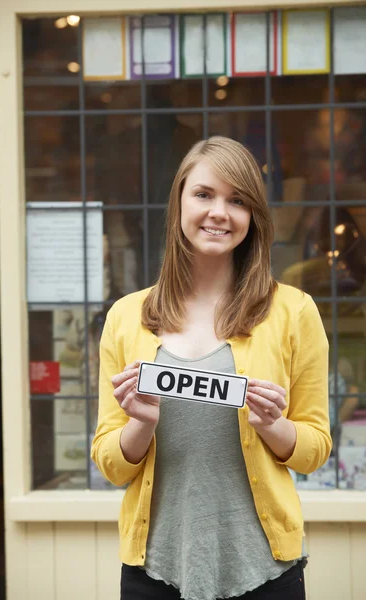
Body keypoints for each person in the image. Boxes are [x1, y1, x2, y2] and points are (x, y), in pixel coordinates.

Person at [91, 136, 332, 600]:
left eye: (237, 200)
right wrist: (141, 425)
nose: (219, 212)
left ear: (253, 218)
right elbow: (111, 465)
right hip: (154, 570)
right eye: (204, 194)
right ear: (180, 200)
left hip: (266, 570)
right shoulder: (126, 316)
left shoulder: (294, 312)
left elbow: (315, 448)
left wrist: (275, 427)